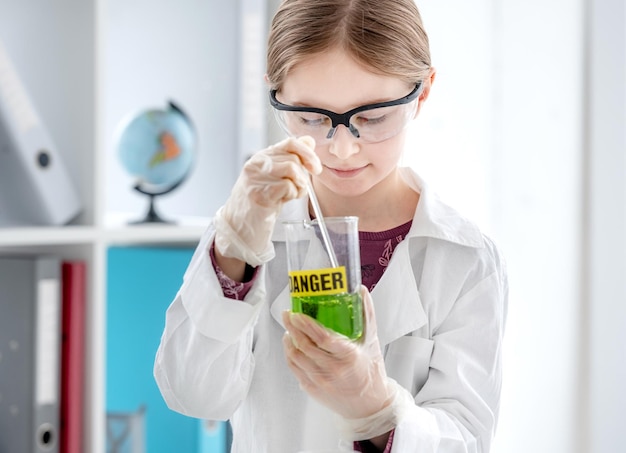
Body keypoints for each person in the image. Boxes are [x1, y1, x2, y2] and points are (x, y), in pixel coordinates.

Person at [154, 0, 508, 451]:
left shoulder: (464, 258)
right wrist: (234, 251)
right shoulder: (249, 228)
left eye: (373, 117)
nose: (341, 149)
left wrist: (374, 409)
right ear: (274, 92)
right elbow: (193, 394)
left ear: (423, 92)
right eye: (311, 118)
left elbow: (466, 440)